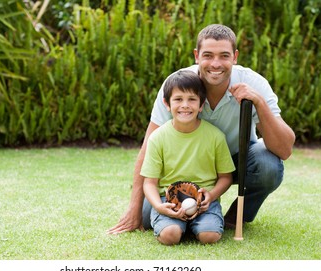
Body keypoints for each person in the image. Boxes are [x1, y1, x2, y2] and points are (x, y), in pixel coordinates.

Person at [107, 24, 295, 234]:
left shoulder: (253, 83)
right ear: (197, 56)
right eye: (208, 55)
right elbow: (148, 145)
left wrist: (258, 102)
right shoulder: (177, 84)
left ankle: (235, 217)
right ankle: (193, 218)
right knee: (146, 218)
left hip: (233, 163)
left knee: (268, 164)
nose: (216, 64)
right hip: (181, 172)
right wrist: (133, 209)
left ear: (235, 56)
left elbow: (285, 149)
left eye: (224, 55)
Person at [141, 70, 235, 245]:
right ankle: (174, 225)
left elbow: (226, 177)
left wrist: (212, 195)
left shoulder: (215, 136)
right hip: (168, 200)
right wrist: (159, 206)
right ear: (167, 104)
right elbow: (149, 182)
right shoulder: (158, 137)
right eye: (178, 99)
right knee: (170, 236)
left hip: (204, 202)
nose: (185, 105)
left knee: (210, 237)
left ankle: (198, 226)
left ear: (201, 105)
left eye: (192, 99)